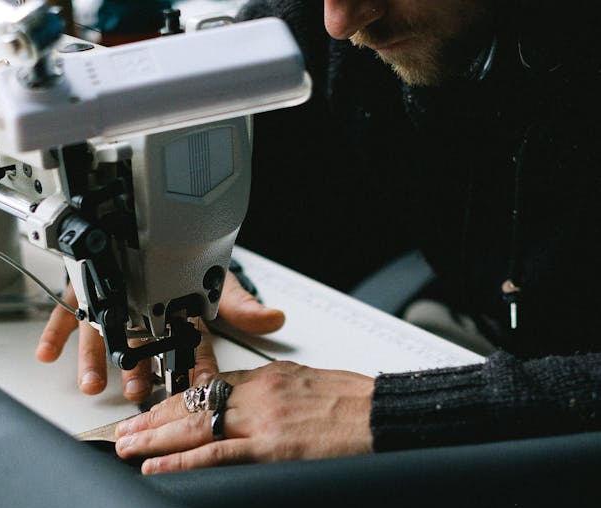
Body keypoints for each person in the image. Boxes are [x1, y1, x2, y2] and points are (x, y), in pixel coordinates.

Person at [36, 0, 601, 474]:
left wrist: (392, 412)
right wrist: (162, 257)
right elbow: (242, 157)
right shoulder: (322, 20)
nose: (342, 21)